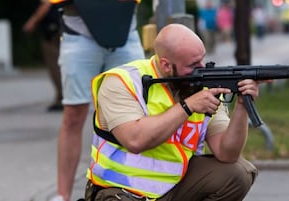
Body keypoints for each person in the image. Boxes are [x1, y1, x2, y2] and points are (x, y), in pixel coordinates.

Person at [85, 23, 259, 201]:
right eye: (192, 64)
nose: (202, 68)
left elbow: (227, 153)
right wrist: (187, 107)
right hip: (122, 190)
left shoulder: (202, 85)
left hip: (175, 185)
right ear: (166, 65)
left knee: (237, 174)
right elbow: (134, 140)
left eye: (202, 59)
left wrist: (242, 106)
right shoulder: (122, 82)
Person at [47, 0, 145, 201]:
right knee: (73, 116)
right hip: (79, 33)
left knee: (137, 110)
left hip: (125, 30)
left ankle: (136, 188)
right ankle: (62, 195)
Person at [23, 0, 63, 111]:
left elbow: (46, 4)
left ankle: (62, 98)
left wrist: (32, 22)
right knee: (62, 63)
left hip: (52, 30)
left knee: (54, 64)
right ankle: (63, 97)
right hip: (60, 26)